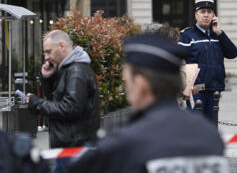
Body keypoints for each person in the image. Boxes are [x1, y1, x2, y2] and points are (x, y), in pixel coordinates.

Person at [68, 34, 226, 173]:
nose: (125, 83)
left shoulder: (127, 143)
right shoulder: (210, 135)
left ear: (141, 83)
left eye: (127, 79)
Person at [26, 30, 100, 173]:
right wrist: (48, 79)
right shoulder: (69, 69)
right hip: (70, 146)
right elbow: (59, 100)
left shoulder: (76, 71)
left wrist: (37, 103)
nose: (46, 58)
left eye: (49, 52)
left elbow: (70, 108)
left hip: (73, 147)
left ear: (62, 45)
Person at [178, 0, 237, 119]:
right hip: (196, 91)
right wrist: (185, 89)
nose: (206, 15)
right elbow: (179, 62)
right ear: (196, 15)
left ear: (213, 15)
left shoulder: (218, 34)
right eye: (202, 12)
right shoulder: (187, 36)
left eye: (209, 12)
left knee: (211, 126)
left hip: (214, 89)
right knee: (196, 127)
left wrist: (220, 33)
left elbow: (233, 53)